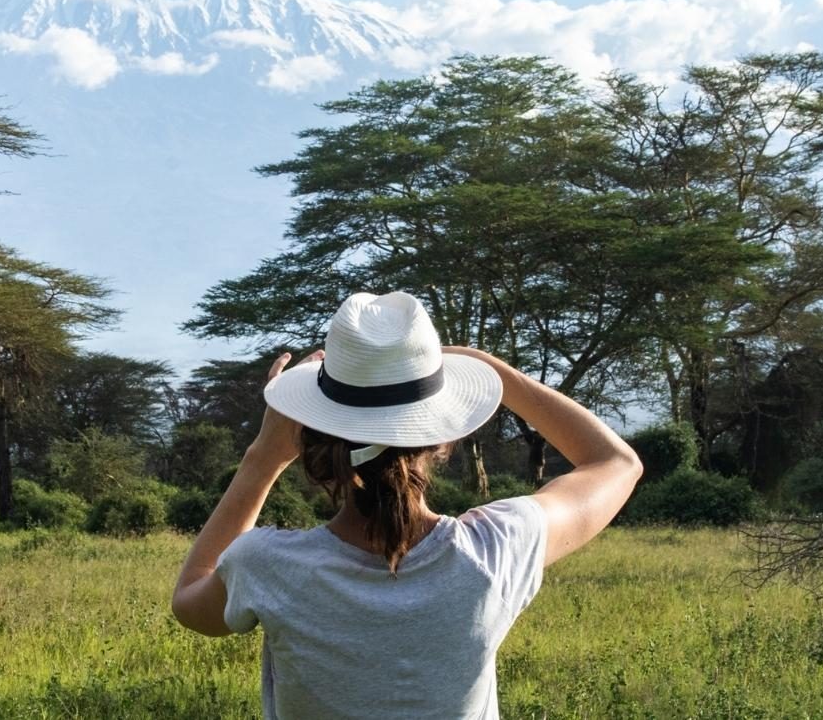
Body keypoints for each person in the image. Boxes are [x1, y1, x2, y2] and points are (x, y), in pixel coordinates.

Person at [171, 291, 642, 719]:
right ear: (445, 437)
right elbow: (615, 463)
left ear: (311, 440)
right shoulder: (495, 549)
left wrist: (263, 457)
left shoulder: (267, 565)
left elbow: (191, 602)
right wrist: (489, 369)